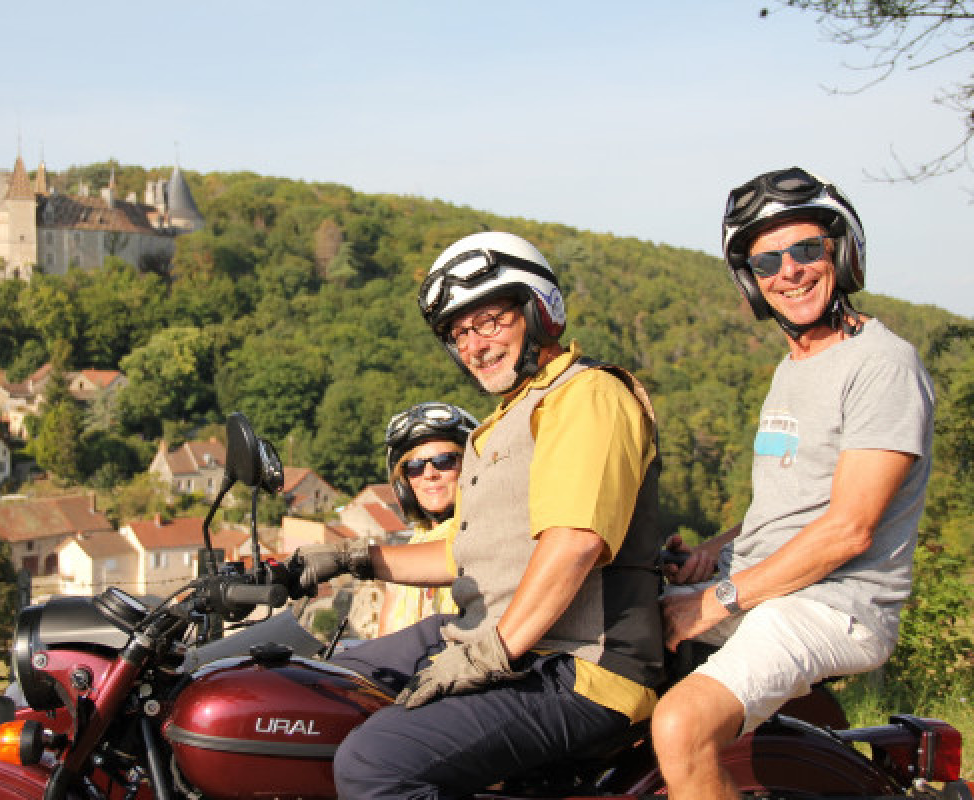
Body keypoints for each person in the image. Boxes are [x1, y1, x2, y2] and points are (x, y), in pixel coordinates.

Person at [291, 231, 664, 799]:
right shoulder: (501, 423)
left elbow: (574, 542)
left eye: (489, 321)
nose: (474, 345)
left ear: (539, 309)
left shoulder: (585, 395)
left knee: (373, 764)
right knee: (328, 685)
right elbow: (466, 552)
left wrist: (491, 655)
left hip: (579, 665)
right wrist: (352, 558)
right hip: (503, 638)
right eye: (459, 333)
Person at [650, 167, 935, 800]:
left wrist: (712, 599)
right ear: (751, 281)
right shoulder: (796, 364)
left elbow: (848, 528)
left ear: (841, 252)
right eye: (767, 260)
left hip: (833, 604)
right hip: (768, 583)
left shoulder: (882, 364)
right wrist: (713, 551)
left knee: (680, 727)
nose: (791, 271)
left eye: (807, 250)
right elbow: (790, 501)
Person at [377, 402, 475, 637]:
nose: (430, 474)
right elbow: (384, 646)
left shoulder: (492, 537)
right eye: (415, 467)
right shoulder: (403, 570)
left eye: (445, 461)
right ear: (405, 484)